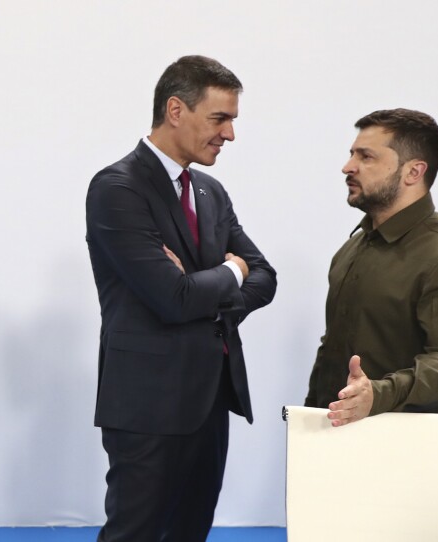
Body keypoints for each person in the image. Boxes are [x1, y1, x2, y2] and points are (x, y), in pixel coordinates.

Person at [85, 55, 276, 541]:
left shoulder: (211, 192)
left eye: (232, 119)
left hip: (209, 401)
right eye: (220, 118)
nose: (229, 134)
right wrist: (232, 269)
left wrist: (203, 287)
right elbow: (173, 298)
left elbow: (266, 278)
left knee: (191, 533)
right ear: (175, 110)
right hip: (148, 407)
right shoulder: (117, 188)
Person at [305, 108, 438, 427]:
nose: (348, 167)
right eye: (352, 154)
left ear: (413, 172)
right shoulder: (351, 250)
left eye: (366, 157)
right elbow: (333, 350)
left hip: (410, 454)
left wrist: (378, 395)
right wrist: (308, 424)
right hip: (336, 444)